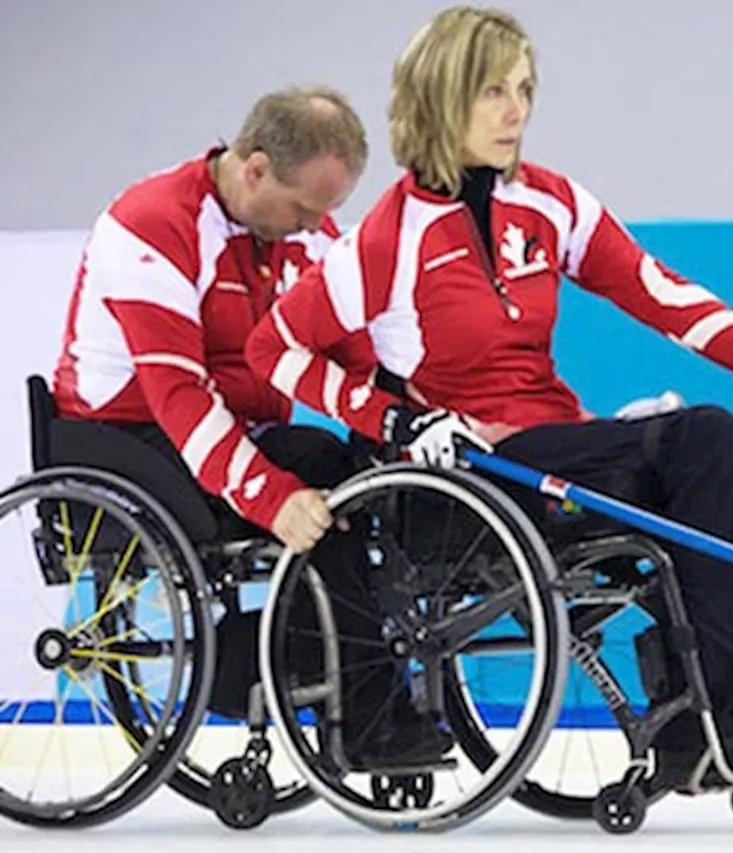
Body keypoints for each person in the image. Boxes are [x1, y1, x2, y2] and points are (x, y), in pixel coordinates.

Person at [244, 7, 733, 789]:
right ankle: (720, 717)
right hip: (475, 471)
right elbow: (273, 348)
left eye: (524, 88)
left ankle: (721, 705)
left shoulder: (548, 202)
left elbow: (662, 295)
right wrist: (395, 418)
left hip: (556, 442)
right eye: (493, 90)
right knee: (704, 437)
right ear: (440, 96)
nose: (516, 110)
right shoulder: (390, 237)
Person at [50, 85, 446, 770]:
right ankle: (360, 713)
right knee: (315, 491)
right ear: (255, 168)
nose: (312, 225)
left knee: (360, 478)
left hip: (238, 425)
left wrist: (417, 425)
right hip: (127, 440)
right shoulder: (151, 226)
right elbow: (178, 396)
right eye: (302, 208)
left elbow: (363, 353)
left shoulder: (305, 230)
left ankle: (324, 671)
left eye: (326, 212)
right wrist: (272, 498)